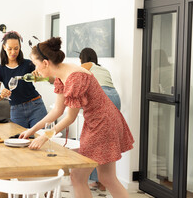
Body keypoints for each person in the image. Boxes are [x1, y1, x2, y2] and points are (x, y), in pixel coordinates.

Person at [19, 37, 134, 198]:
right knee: (105, 178)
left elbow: (69, 118)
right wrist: (32, 130)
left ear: (45, 63)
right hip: (103, 120)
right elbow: (57, 111)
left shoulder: (74, 78)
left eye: (35, 64)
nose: (35, 69)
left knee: (80, 177)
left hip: (102, 123)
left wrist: (45, 136)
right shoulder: (61, 75)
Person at [79, 47, 121, 191]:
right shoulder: (103, 69)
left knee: (93, 140)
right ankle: (102, 181)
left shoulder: (86, 65)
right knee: (106, 140)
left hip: (102, 97)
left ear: (83, 59)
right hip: (115, 97)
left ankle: (97, 180)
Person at [0, 31, 48, 128]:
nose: (13, 52)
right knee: (19, 140)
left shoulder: (28, 64)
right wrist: (1, 96)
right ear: (4, 47)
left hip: (36, 106)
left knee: (40, 138)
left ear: (20, 47)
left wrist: (38, 74)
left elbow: (46, 77)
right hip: (16, 111)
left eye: (16, 48)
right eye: (10, 49)